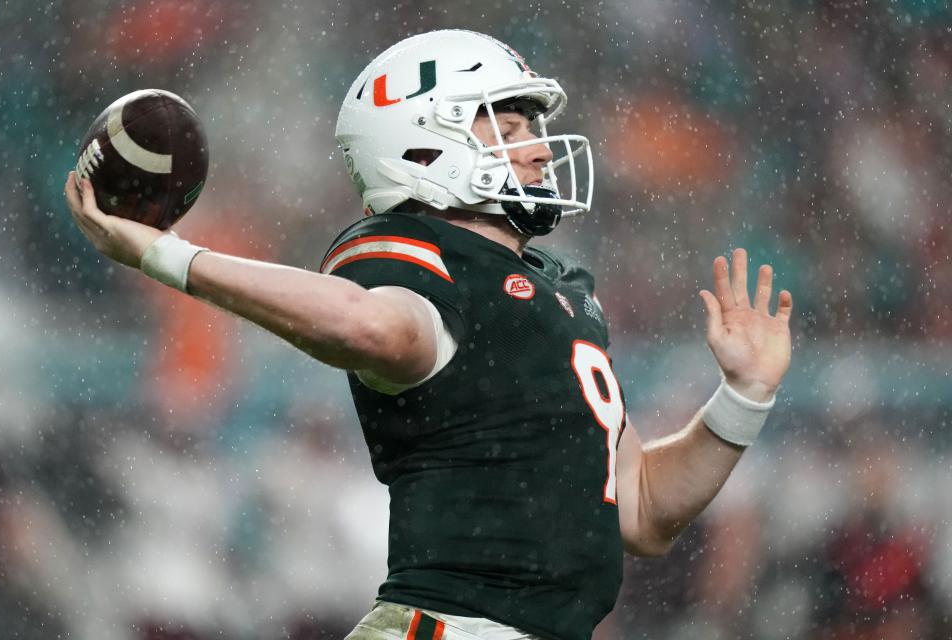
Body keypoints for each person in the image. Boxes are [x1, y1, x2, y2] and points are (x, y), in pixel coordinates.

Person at [64, 29, 793, 640]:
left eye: (532, 130)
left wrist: (742, 399)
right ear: (418, 150)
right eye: (507, 131)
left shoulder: (561, 295)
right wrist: (167, 255)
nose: (538, 150)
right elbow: (375, 326)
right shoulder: (410, 256)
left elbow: (642, 509)